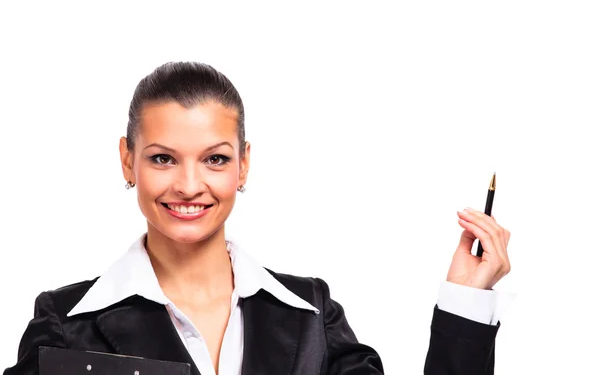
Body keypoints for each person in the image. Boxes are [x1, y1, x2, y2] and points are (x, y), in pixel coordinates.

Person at [3, 62, 512, 375]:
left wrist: (464, 301)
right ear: (126, 160)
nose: (188, 184)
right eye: (162, 158)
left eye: (215, 158)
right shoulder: (65, 326)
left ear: (243, 163)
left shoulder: (312, 315)